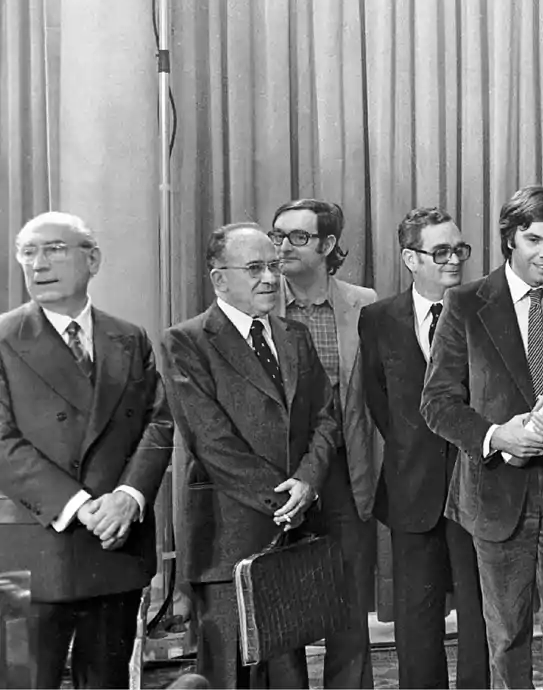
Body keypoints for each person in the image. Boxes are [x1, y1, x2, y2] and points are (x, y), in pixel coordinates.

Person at [420, 185, 543, 689]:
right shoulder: (465, 303)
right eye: (534, 240)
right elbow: (437, 402)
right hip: (495, 492)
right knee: (505, 634)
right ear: (509, 238)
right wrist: (496, 435)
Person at [162, 223, 342, 689]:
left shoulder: (294, 335)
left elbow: (326, 416)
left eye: (274, 266)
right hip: (228, 538)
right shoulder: (186, 341)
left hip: (291, 534)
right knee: (228, 676)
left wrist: (307, 481)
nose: (269, 278)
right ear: (220, 280)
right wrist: (283, 499)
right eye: (255, 268)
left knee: (287, 674)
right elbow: (210, 440)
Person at [0, 212, 174, 688]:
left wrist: (129, 498)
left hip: (115, 547)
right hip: (30, 551)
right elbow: (1, 442)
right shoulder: (3, 338)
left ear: (92, 259)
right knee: (24, 682)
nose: (39, 264)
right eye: (28, 253)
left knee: (107, 681)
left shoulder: (129, 337)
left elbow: (158, 422)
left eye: (54, 249)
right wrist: (80, 506)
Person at [359, 207, 489, 689]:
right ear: (411, 259)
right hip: (411, 491)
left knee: (479, 617)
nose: (454, 259)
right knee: (416, 622)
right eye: (441, 251)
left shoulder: (485, 311)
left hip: (478, 488)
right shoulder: (378, 319)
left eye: (459, 249)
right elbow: (381, 402)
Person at [271, 198, 377, 689]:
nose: (283, 247)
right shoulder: (259, 303)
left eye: (298, 237)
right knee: (279, 605)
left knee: (350, 603)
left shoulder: (365, 304)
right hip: (276, 478)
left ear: (328, 245)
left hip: (346, 471)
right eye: (278, 236)